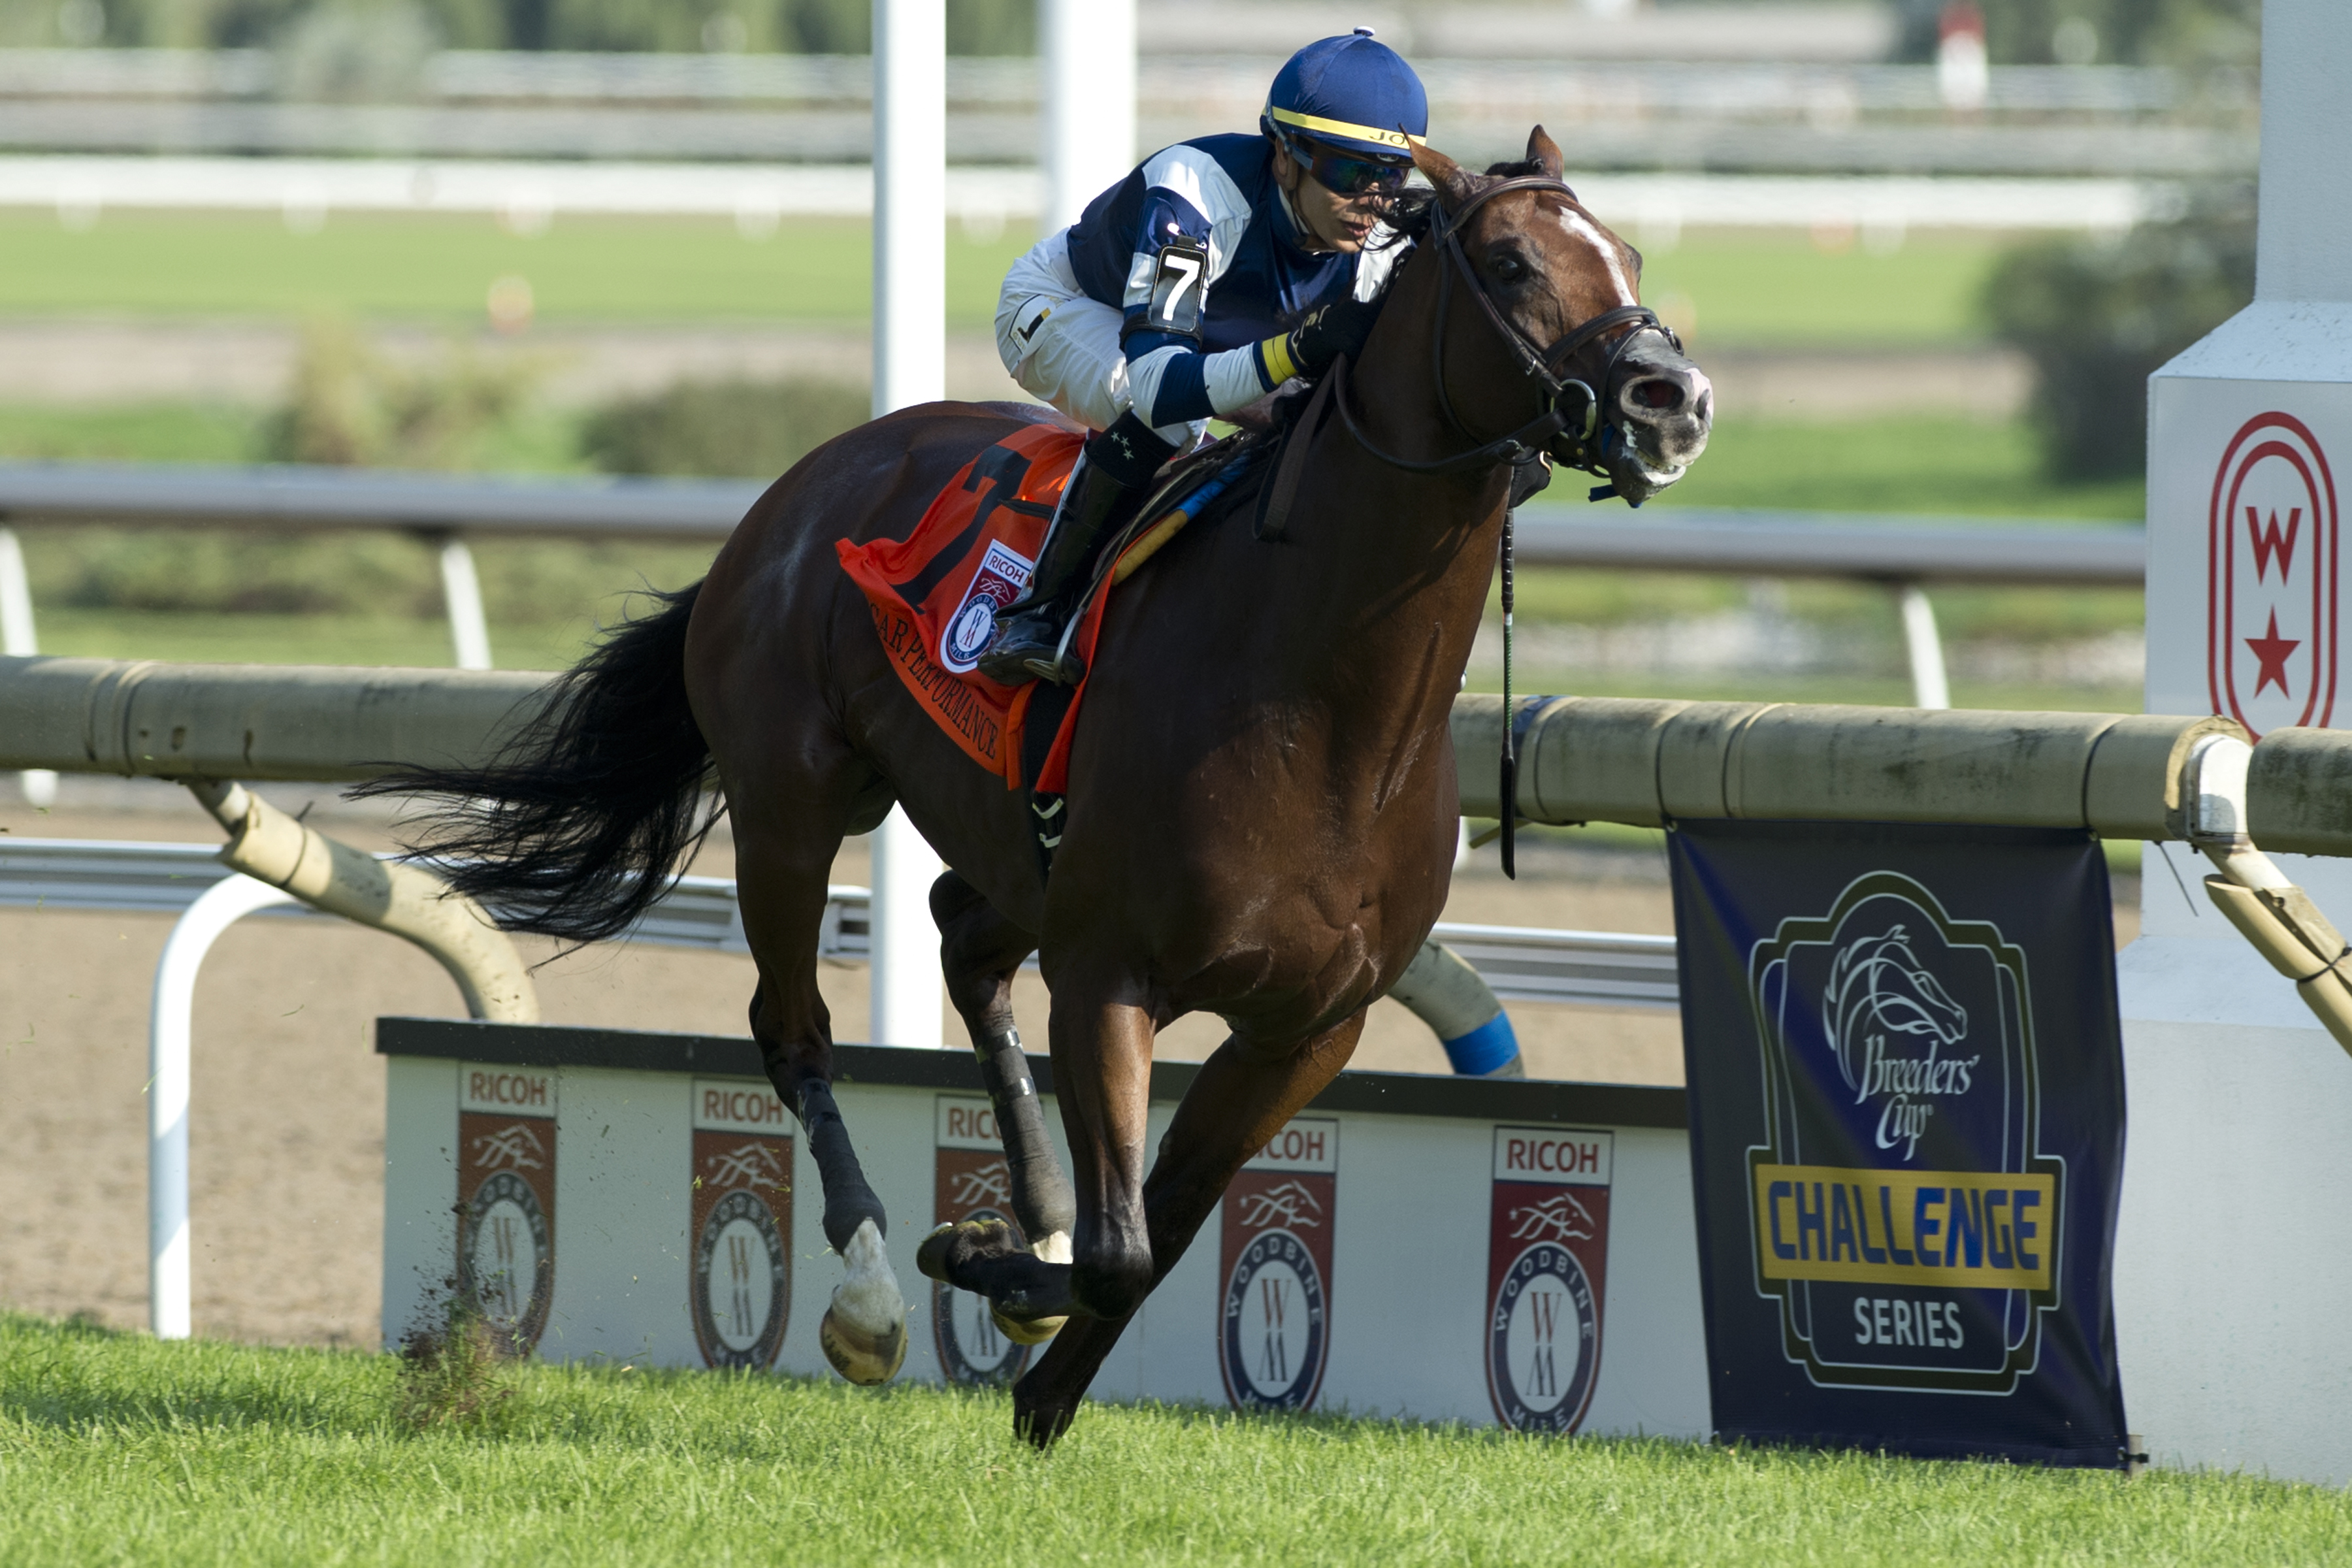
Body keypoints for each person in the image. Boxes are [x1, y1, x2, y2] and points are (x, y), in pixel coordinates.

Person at [979, 28, 1429, 685]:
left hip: (1200, 345)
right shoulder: (1196, 193)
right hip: (1067, 308)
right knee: (1172, 419)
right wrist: (1296, 351)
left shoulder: (1379, 242)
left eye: (1392, 176)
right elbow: (1160, 384)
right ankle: (1039, 611)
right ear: (1284, 156)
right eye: (1350, 172)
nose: (1374, 202)